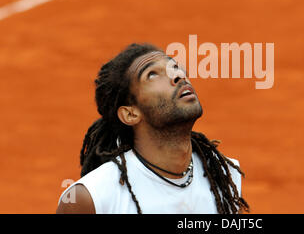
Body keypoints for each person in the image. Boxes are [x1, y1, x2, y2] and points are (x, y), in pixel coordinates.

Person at [56, 43, 249, 214]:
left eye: (174, 67)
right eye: (152, 74)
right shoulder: (91, 199)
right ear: (130, 114)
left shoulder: (222, 175)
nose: (178, 75)